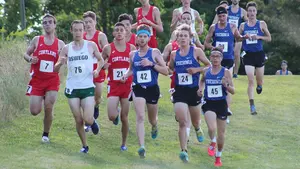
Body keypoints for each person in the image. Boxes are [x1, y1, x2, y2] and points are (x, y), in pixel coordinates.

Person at [54, 20, 104, 153]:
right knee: (78, 119)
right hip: (73, 88)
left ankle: (93, 122)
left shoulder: (91, 45)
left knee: (87, 118)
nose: (77, 32)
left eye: (80, 30)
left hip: (87, 86)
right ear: (71, 31)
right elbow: (55, 68)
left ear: (84, 31)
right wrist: (61, 63)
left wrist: (97, 70)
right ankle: (84, 145)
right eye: (75, 30)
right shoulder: (66, 48)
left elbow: (101, 59)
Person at [121, 25, 168, 158]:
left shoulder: (155, 53)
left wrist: (151, 64)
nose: (142, 39)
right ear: (136, 38)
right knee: (140, 117)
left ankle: (154, 126)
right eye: (140, 36)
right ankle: (142, 147)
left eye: (144, 36)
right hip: (138, 88)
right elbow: (131, 69)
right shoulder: (133, 54)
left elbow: (166, 71)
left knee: (152, 119)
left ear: (149, 38)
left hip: (152, 89)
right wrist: (125, 75)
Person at [169, 24, 211, 163]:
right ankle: (183, 150)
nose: (182, 38)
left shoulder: (196, 51)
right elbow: (170, 69)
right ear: (177, 38)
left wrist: (196, 69)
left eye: (185, 36)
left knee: (195, 120)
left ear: (190, 38)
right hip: (180, 91)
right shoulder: (174, 54)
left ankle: (198, 128)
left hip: (193, 91)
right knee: (182, 121)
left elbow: (209, 66)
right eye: (180, 36)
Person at [24, 14, 65, 143]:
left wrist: (61, 61)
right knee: (34, 111)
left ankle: (45, 134)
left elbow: (61, 65)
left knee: (49, 107)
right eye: (45, 22)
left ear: (54, 25)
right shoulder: (37, 40)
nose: (47, 24)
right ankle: (40, 98)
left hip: (52, 80)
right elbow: (26, 54)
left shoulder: (60, 44)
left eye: (49, 22)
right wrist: (31, 59)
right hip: (37, 80)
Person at [204, 6, 248, 123]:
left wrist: (244, 38)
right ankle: (211, 104)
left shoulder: (232, 26)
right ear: (217, 17)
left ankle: (226, 109)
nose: (222, 18)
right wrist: (214, 48)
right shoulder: (214, 28)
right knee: (216, 83)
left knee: (226, 85)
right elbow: (206, 43)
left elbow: (238, 38)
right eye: (220, 16)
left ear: (227, 16)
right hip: (216, 59)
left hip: (228, 59)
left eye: (224, 16)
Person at [101, 22, 136, 151]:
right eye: (117, 30)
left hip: (127, 85)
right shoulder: (108, 48)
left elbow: (135, 66)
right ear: (114, 33)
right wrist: (103, 66)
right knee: (111, 116)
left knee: (125, 117)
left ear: (126, 32)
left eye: (122, 30)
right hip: (113, 85)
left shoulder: (132, 48)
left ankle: (123, 144)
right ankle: (115, 115)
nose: (120, 32)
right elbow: (101, 61)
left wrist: (127, 75)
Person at [199, 47, 235, 167]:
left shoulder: (226, 72)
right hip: (209, 103)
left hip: (221, 104)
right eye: (213, 56)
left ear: (221, 58)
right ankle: (212, 141)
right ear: (210, 58)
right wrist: (200, 89)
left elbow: (233, 90)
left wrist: (226, 85)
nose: (215, 59)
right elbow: (202, 81)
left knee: (221, 134)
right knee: (211, 127)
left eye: (217, 56)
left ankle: (218, 156)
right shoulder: (206, 71)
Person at [239, 1, 271, 115]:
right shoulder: (243, 25)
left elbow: (269, 38)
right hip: (248, 55)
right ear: (247, 12)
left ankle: (260, 85)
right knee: (250, 80)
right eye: (250, 11)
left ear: (256, 12)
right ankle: (252, 105)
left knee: (259, 80)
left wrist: (258, 36)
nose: (251, 13)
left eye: (253, 11)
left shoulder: (261, 24)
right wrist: (243, 36)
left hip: (259, 54)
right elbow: (237, 39)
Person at [83, 11, 109, 131]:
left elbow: (108, 51)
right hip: (85, 71)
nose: (88, 24)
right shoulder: (81, 36)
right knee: (86, 96)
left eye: (90, 22)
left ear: (95, 22)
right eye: (86, 22)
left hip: (98, 69)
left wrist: (104, 64)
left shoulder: (100, 36)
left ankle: (97, 106)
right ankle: (88, 122)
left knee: (97, 96)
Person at [213, 0, 248, 78]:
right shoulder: (226, 9)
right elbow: (215, 20)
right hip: (227, 35)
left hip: (237, 34)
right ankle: (221, 69)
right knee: (225, 53)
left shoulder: (242, 11)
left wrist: (243, 30)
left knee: (236, 53)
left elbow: (248, 23)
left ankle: (235, 73)